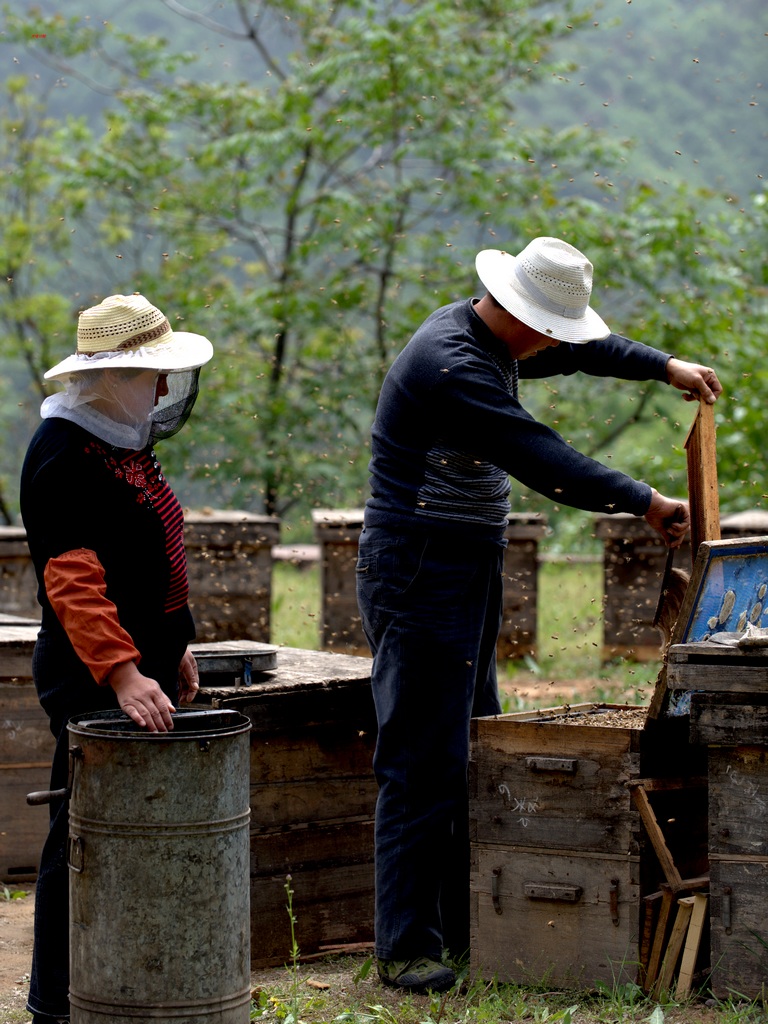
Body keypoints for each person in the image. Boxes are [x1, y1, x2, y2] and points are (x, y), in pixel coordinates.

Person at [355, 236, 723, 994]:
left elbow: (586, 353)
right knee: (422, 756)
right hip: (421, 562)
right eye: (555, 330)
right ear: (530, 318)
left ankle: (457, 923)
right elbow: (544, 457)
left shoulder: (489, 337)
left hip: (460, 560)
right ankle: (404, 946)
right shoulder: (454, 364)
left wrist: (662, 366)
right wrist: (645, 501)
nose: (560, 343)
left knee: (473, 743)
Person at [20, 293, 213, 1024]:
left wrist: (177, 644)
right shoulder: (64, 458)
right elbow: (73, 583)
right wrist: (126, 673)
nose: (163, 388)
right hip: (88, 674)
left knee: (131, 830)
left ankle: (126, 980)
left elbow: (150, 560)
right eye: (150, 375)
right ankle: (54, 1002)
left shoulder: (116, 445)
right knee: (82, 835)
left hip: (141, 667)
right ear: (108, 380)